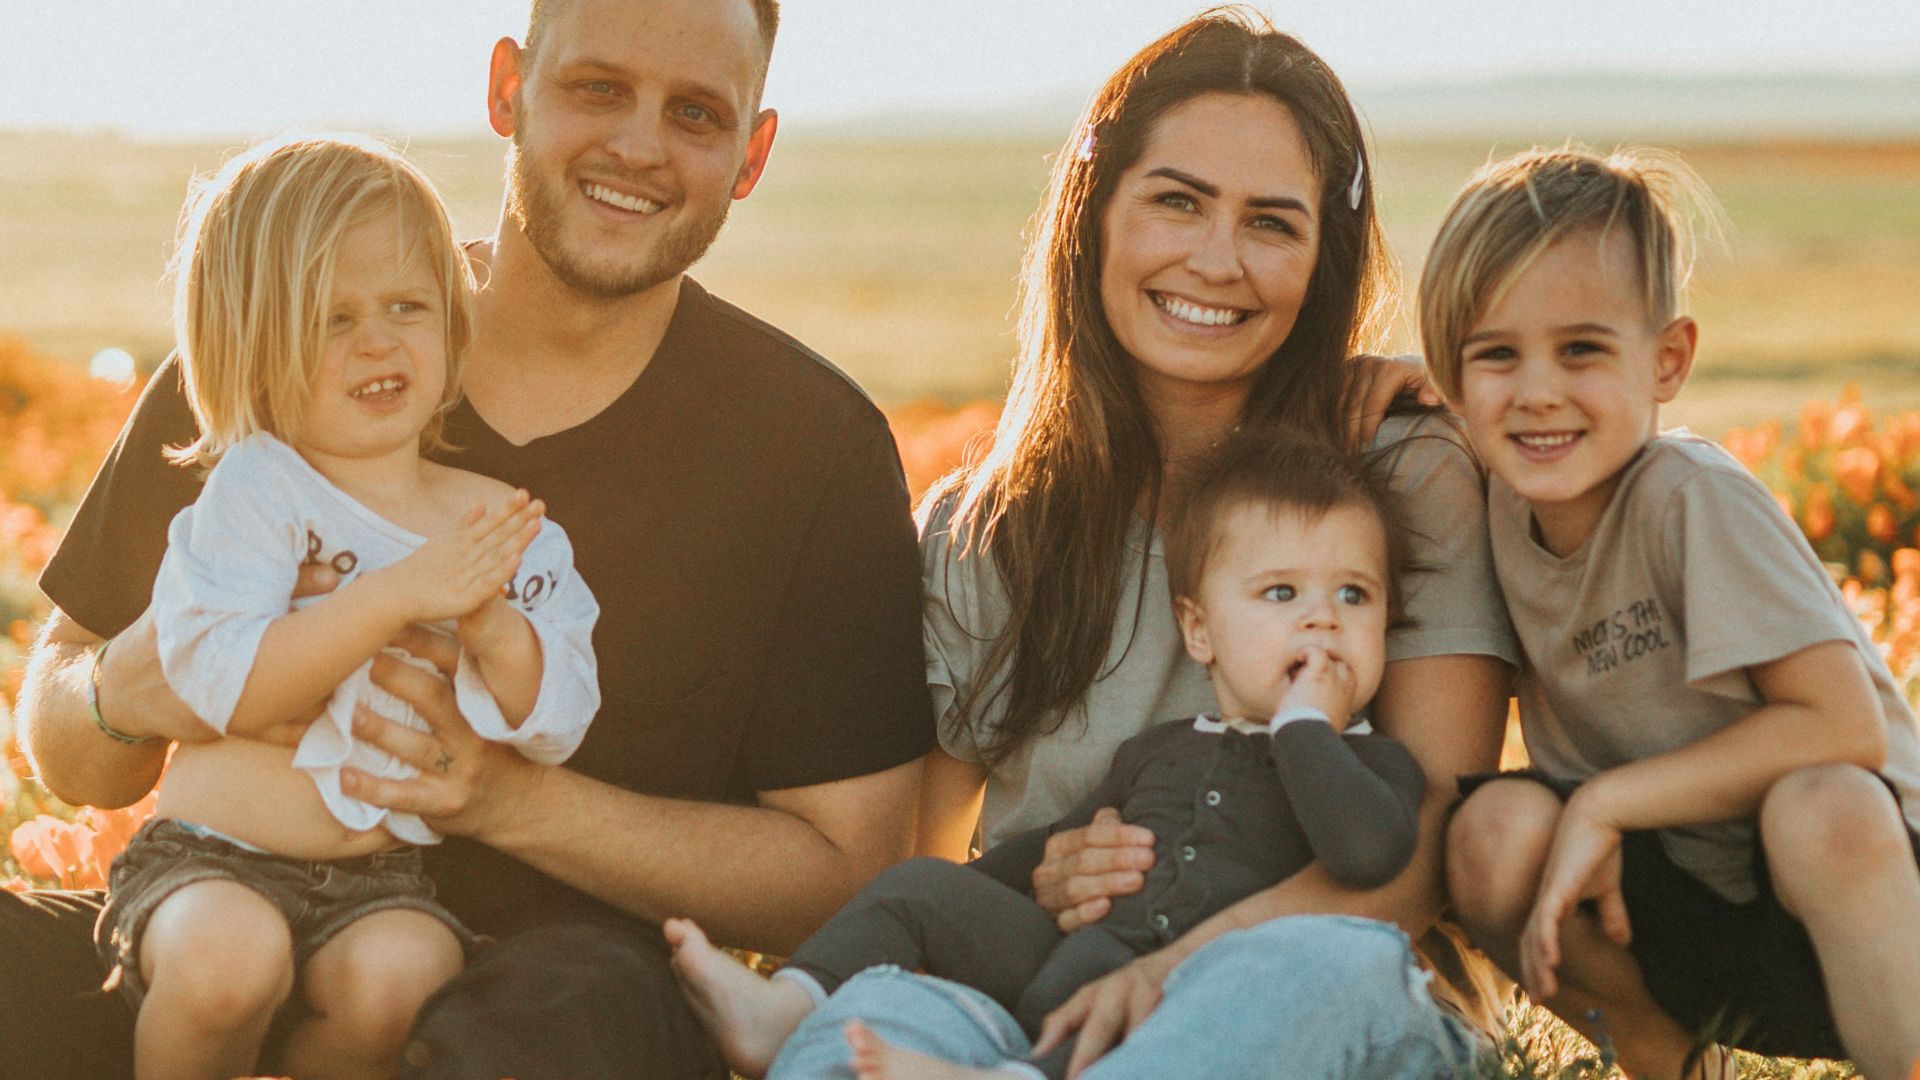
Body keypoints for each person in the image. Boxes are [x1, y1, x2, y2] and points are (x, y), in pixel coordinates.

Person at [5, 1, 935, 1077]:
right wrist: (134, 687)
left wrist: (505, 797)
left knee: (559, 1027)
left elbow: (844, 873)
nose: (637, 144)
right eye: (598, 88)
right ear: (508, 88)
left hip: (553, 989)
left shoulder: (810, 446)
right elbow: (67, 725)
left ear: (751, 155)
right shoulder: (284, 342)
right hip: (211, 923)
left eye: (694, 113)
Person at [766, 9, 1517, 1079]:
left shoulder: (1399, 474)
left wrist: (1164, 975)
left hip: (1307, 998)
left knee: (1314, 978)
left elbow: (1423, 858)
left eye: (1271, 222)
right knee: (863, 1037)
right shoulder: (990, 521)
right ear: (1095, 216)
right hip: (1050, 1000)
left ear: (1323, 258)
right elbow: (918, 859)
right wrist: (1039, 878)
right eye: (1176, 201)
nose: (1215, 260)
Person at [668, 435, 1427, 1080]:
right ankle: (789, 1008)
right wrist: (1004, 885)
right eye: (1283, 593)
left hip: (1205, 1002)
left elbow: (1365, 852)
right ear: (1200, 632)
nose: (1323, 620)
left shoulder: (1377, 767)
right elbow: (1046, 848)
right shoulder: (1158, 750)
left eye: (1355, 596)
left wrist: (1305, 728)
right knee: (922, 888)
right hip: (1072, 964)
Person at [97, 133, 601, 1080]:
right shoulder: (256, 492)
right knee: (224, 969)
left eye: (407, 307)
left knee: (407, 978)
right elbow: (226, 689)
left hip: (380, 880)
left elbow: (559, 719)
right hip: (212, 857)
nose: (377, 340)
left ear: (453, 327)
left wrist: (494, 627)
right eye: (330, 319)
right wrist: (397, 594)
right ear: (248, 346)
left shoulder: (494, 521)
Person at [1431, 147, 1920, 1080]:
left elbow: (1843, 726)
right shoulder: (1489, 494)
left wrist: (1609, 801)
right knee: (1489, 834)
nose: (1537, 391)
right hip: (1683, 908)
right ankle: (1675, 1067)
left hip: (1869, 903)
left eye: (1581, 349)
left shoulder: (1689, 498)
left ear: (1668, 360)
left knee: (1823, 806)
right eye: (1498, 353)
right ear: (1456, 377)